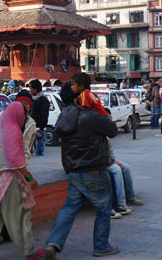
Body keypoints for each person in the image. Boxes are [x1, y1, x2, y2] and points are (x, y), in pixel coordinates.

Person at [43, 72, 119, 258]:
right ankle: (101, 246)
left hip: (74, 168)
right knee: (103, 208)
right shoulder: (91, 115)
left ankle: (53, 243)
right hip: (93, 168)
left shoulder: (64, 114)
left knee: (69, 207)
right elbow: (113, 130)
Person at [0, 102, 44, 260]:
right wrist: (30, 178)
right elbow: (15, 161)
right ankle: (30, 251)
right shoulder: (13, 131)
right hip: (9, 180)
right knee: (19, 217)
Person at [107, 150, 144, 217]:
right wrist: (112, 162)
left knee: (126, 167)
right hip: (100, 162)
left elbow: (110, 152)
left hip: (108, 159)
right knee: (117, 170)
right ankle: (121, 203)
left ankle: (131, 197)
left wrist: (113, 161)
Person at [30, 79, 49, 157]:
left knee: (39, 152)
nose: (30, 90)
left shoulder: (43, 100)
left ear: (36, 89)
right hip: (32, 127)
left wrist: (41, 129)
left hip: (39, 129)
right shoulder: (32, 99)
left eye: (31, 88)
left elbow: (44, 115)